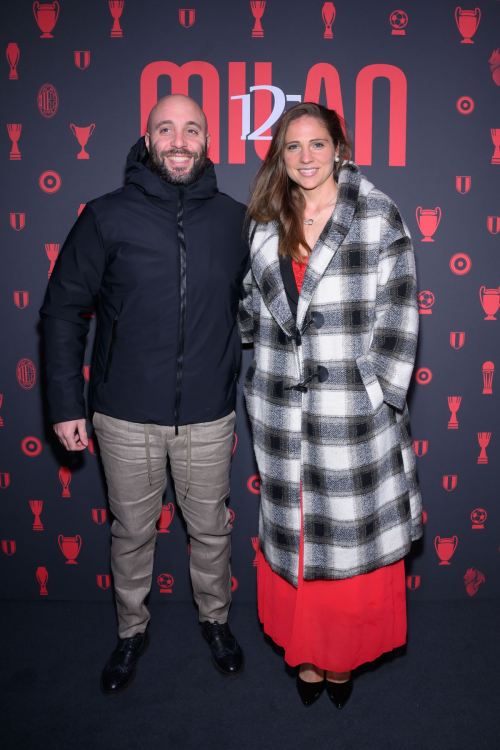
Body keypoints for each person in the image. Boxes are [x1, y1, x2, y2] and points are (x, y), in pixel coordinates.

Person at [40, 94, 249, 695]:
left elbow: (261, 311)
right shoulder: (105, 216)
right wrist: (63, 404)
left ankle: (216, 622)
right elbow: (62, 313)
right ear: (148, 138)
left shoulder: (236, 221)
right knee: (132, 532)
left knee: (211, 529)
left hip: (208, 417)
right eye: (166, 129)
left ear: (208, 141)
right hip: (123, 417)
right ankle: (131, 631)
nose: (179, 140)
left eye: (191, 129)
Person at [238, 102, 422, 709]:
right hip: (281, 416)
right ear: (280, 157)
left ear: (338, 147)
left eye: (317, 144)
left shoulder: (375, 213)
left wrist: (378, 394)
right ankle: (308, 657)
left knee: (347, 545)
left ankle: (339, 660)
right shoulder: (266, 220)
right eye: (293, 147)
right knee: (297, 537)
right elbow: (252, 310)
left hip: (353, 418)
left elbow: (399, 313)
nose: (306, 157)